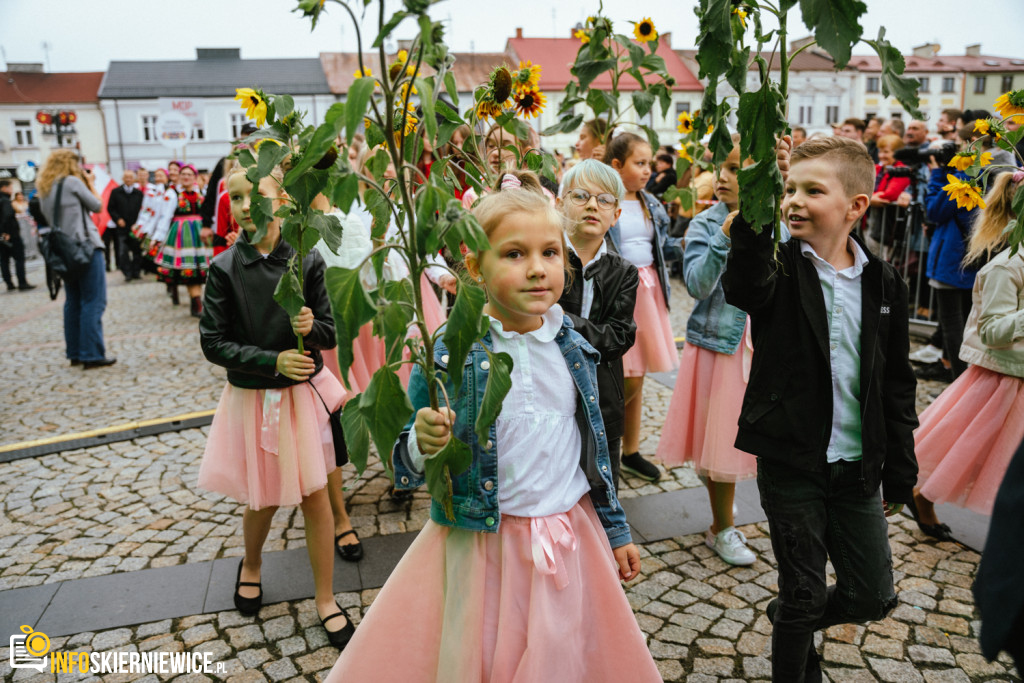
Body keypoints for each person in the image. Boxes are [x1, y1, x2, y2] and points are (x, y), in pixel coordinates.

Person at [323, 175, 660, 683]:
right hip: (482, 544)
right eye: (514, 254)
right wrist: (422, 440)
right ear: (477, 268)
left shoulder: (574, 347)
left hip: (567, 536)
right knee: (479, 654)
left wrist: (615, 530)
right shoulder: (450, 351)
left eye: (550, 253)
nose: (537, 269)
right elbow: (403, 462)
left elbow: (592, 448)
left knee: (563, 655)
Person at [723, 136, 918, 682]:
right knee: (804, 591)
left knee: (872, 596)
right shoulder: (778, 268)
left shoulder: (885, 283)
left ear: (856, 206)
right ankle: (795, 641)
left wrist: (900, 472)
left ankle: (790, 618)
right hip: (791, 461)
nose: (795, 201)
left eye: (813, 190)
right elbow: (744, 284)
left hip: (857, 466)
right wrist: (760, 198)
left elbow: (897, 384)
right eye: (790, 190)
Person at [197, 167, 355, 649]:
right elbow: (213, 342)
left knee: (315, 497)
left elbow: (328, 330)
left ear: (281, 199)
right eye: (237, 197)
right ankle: (252, 562)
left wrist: (312, 325)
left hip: (300, 398)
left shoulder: (306, 260)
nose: (247, 205)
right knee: (261, 497)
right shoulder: (224, 268)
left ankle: (325, 598)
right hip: (255, 398)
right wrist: (271, 360)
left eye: (256, 195)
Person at [658, 137, 768, 566]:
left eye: (736, 169)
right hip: (720, 344)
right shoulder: (705, 224)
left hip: (766, 345)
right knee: (718, 441)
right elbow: (699, 286)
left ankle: (730, 516)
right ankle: (723, 527)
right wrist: (725, 236)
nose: (722, 176)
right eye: (721, 167)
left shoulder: (777, 223)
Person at [910, 171, 1024, 538]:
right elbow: (993, 331)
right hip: (1003, 380)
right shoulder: (1005, 268)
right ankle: (922, 495)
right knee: (965, 450)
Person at [556, 160, 639, 489]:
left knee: (602, 490)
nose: (593, 205)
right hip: (552, 395)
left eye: (604, 200)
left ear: (616, 214)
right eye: (581, 196)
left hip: (602, 398)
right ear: (560, 203)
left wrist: (566, 321)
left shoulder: (623, 272)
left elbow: (619, 337)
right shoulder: (546, 257)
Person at [604, 132, 677, 483]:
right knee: (624, 376)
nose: (647, 170)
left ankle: (630, 451)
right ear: (616, 165)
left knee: (639, 374)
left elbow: (664, 245)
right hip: (622, 292)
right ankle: (607, 449)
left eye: (649, 163)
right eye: (640, 163)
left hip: (649, 292)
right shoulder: (605, 202)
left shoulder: (652, 203)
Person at [37, 150, 116, 368]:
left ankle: (75, 352)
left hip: (63, 250)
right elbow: (98, 205)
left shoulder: (45, 187)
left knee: (73, 301)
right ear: (70, 164)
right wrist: (90, 182)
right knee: (93, 300)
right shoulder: (72, 182)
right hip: (85, 246)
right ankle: (92, 354)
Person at [924, 138, 981, 381]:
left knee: (952, 323)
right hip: (972, 255)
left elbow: (934, 211)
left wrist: (937, 174)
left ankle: (959, 379)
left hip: (951, 257)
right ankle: (956, 371)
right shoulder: (988, 174)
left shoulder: (964, 180)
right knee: (966, 320)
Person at [155, 164, 211, 317]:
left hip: (200, 235)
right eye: (183, 174)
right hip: (181, 236)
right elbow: (165, 217)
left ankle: (199, 301)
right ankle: (196, 302)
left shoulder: (201, 193)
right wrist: (158, 238)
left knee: (203, 269)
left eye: (189, 174)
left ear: (194, 177)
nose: (186, 177)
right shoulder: (173, 194)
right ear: (179, 177)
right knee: (189, 269)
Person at [864, 134, 911, 257]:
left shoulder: (901, 170)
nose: (881, 155)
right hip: (872, 224)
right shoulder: (878, 168)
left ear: (897, 153)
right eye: (880, 151)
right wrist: (871, 197)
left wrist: (868, 197)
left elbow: (890, 194)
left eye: (886, 152)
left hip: (888, 228)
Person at [107, 169, 144, 281]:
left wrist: (140, 223)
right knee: (123, 251)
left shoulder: (139, 193)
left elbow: (144, 209)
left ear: (134, 179)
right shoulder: (116, 192)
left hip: (136, 227)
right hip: (122, 227)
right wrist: (118, 219)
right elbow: (110, 208)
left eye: (130, 177)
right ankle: (127, 272)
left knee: (137, 250)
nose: (128, 180)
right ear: (123, 179)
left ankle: (136, 271)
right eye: (126, 177)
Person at [0, 179, 34, 291]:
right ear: (4, 188)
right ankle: (22, 283)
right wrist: (6, 232)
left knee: (4, 260)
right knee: (19, 258)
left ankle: (9, 283)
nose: (11, 190)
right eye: (10, 187)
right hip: (11, 235)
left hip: (2, 237)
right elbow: (7, 216)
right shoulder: (5, 201)